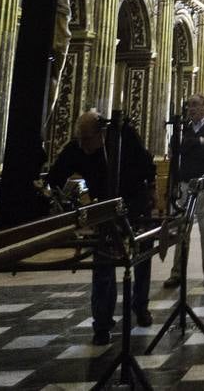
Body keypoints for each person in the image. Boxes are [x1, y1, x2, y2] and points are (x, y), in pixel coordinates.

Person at [46, 110, 156, 345]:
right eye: (80, 139)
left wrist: (151, 195)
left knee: (142, 257)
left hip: (135, 201)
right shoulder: (78, 147)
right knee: (103, 264)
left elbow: (147, 164)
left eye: (87, 139)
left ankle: (141, 306)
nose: (83, 145)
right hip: (104, 210)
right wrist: (56, 195)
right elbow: (56, 175)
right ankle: (102, 323)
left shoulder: (124, 135)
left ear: (102, 133)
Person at [164, 94, 204, 289]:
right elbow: (176, 148)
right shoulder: (184, 128)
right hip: (185, 184)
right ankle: (177, 273)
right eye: (189, 105)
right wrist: (199, 142)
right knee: (182, 230)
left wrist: (192, 145)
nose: (192, 109)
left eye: (196, 105)